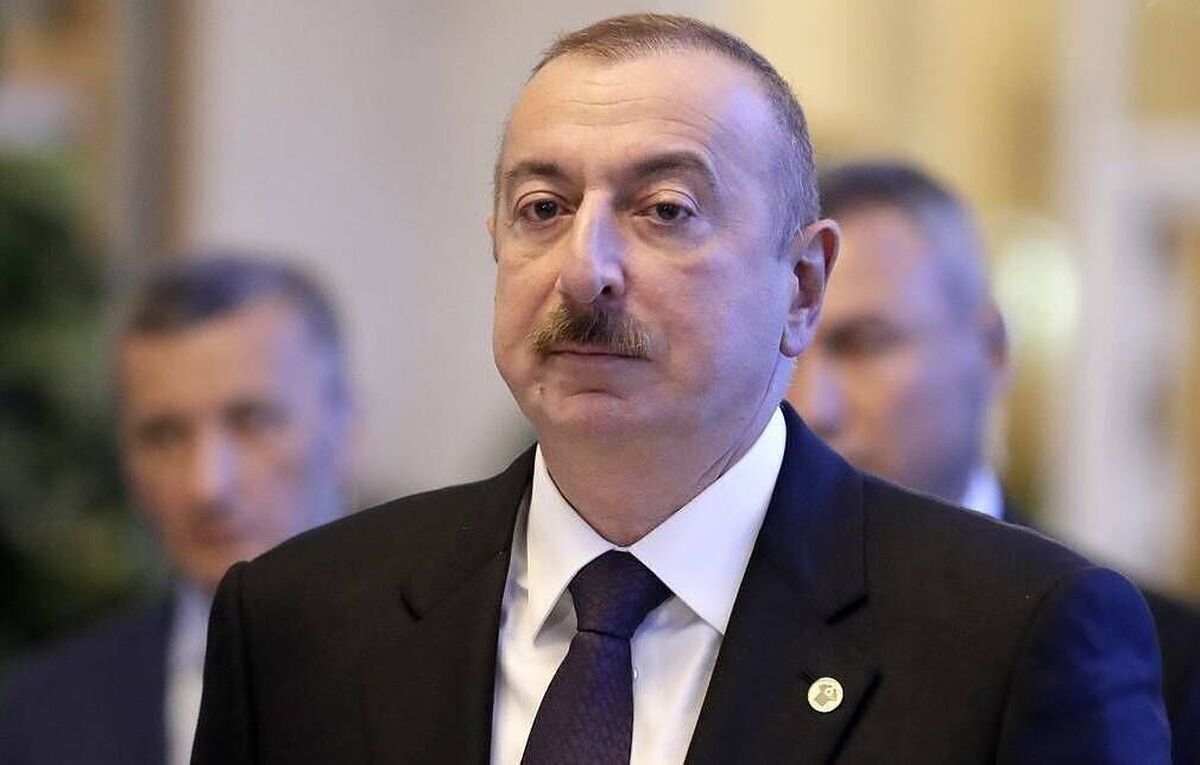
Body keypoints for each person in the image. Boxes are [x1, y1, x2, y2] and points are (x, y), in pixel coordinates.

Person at [192, 14, 1169, 763]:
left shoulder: (1012, 639)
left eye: (665, 210)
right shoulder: (300, 619)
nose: (585, 270)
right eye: (543, 207)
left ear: (802, 287)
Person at [787, 159, 1200, 764]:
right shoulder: (721, 619)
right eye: (789, 347)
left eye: (864, 344)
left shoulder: (1169, 664)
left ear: (992, 347)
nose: (811, 404)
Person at [0, 256, 357, 765]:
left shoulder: (456, 673)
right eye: (164, 436)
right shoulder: (38, 720)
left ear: (347, 427)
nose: (206, 485)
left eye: (252, 421)